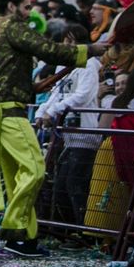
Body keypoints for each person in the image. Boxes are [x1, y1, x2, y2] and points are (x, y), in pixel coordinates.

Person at [0, 0, 106, 258]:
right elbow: (48, 49)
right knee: (36, 170)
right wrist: (91, 49)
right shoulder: (11, 26)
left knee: (18, 178)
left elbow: (5, 72)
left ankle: (25, 239)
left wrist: (31, 86)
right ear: (12, 7)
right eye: (26, 7)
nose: (29, 13)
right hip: (8, 113)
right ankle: (15, 229)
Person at [34, 23, 100, 228]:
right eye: (66, 41)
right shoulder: (63, 65)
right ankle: (66, 228)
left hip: (84, 133)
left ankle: (83, 229)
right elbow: (57, 92)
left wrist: (53, 111)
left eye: (73, 41)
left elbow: (82, 96)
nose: (69, 45)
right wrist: (42, 111)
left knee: (76, 182)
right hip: (65, 133)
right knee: (60, 184)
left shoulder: (89, 65)